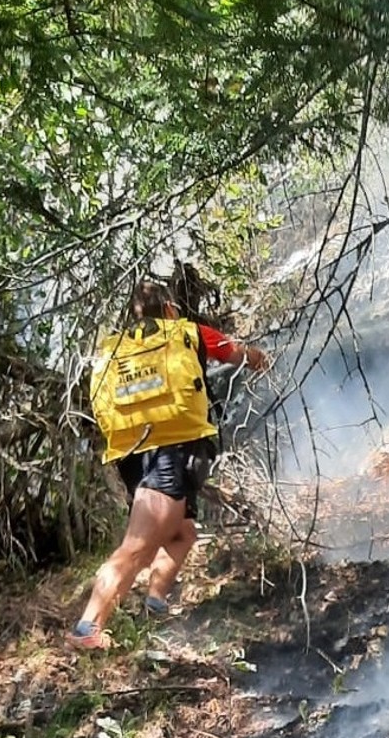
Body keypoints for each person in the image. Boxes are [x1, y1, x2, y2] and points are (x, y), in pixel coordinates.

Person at [68, 278, 268, 650]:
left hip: (133, 455)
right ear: (172, 309)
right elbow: (239, 354)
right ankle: (87, 627)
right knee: (137, 547)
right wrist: (261, 359)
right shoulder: (187, 333)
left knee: (182, 533)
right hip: (172, 450)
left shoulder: (116, 351)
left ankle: (155, 602)